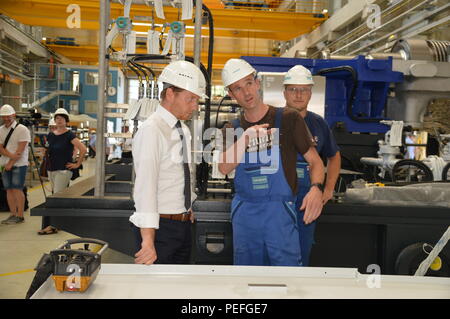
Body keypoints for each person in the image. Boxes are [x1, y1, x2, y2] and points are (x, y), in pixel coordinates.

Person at [218, 59, 325, 266]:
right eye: (238, 88)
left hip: (279, 216)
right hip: (246, 217)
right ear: (231, 95)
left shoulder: (289, 118)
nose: (246, 92)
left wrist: (316, 189)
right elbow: (223, 167)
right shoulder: (231, 128)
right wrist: (246, 138)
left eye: (249, 83)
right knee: (246, 280)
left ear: (257, 83)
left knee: (287, 278)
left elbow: (316, 163)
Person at [129, 60, 206, 265]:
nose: (194, 106)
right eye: (190, 99)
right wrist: (147, 241)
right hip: (159, 230)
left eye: (196, 100)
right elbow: (146, 187)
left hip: (183, 225)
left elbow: (178, 176)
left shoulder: (183, 130)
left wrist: (186, 206)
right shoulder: (152, 130)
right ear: (170, 93)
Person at [283, 65, 341, 266]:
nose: (298, 95)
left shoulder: (319, 123)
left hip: (307, 199)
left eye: (304, 89)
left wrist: (328, 189)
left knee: (301, 250)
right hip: (277, 199)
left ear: (310, 93)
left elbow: (334, 157)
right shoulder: (273, 120)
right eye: (293, 89)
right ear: (285, 92)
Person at [38, 108, 87, 235]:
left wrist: (77, 164)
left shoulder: (69, 135)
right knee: (56, 195)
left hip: (63, 170)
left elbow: (83, 149)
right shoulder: (51, 134)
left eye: (61, 118)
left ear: (66, 121)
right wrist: (43, 153)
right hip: (51, 169)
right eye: (57, 118)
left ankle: (53, 225)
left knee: (57, 197)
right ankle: (58, 223)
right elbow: (48, 149)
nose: (59, 120)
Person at [0, 104, 31, 225]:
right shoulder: (1, 130)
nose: (6, 118)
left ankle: (20, 215)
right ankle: (12, 214)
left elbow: (21, 150)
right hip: (4, 163)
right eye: (4, 116)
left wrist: (12, 161)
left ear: (13, 115)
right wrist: (11, 157)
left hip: (20, 165)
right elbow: (0, 148)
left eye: (8, 116)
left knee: (17, 189)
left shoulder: (22, 129)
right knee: (9, 190)